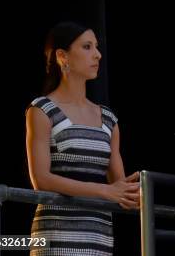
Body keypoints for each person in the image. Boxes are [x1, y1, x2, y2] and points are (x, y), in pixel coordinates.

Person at [26, 22, 140, 256]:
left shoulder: (108, 119)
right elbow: (41, 180)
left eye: (96, 47)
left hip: (99, 238)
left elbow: (119, 189)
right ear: (62, 56)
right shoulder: (42, 110)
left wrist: (135, 192)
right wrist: (105, 191)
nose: (97, 54)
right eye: (87, 47)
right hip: (56, 237)